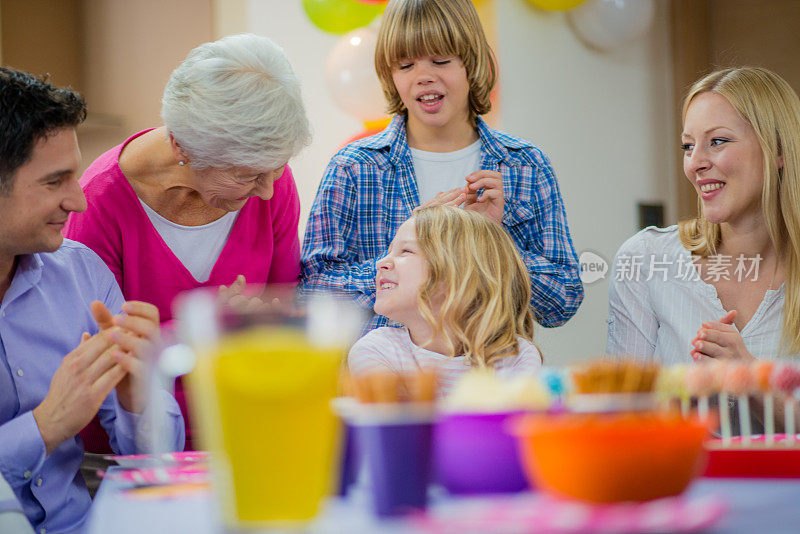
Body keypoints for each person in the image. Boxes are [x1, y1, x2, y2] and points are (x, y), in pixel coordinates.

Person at [64, 33, 310, 450]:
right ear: (181, 145)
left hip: (244, 431)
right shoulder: (98, 205)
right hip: (134, 451)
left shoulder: (271, 182)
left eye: (277, 169)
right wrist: (207, 327)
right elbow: (94, 352)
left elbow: (285, 308)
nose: (268, 191)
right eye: (247, 175)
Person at [301, 0, 582, 330]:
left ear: (471, 64)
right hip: (385, 378)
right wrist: (416, 250)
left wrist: (492, 245)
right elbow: (313, 292)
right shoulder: (354, 167)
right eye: (405, 66)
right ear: (389, 76)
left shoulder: (525, 165)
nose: (423, 77)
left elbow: (563, 300)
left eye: (440, 60)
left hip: (488, 378)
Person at [0, 67, 184, 534]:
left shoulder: (81, 272)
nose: (78, 202)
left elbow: (159, 459)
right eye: (54, 182)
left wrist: (138, 395)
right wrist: (44, 426)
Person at [607, 66, 800, 363]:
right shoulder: (644, 259)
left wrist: (751, 382)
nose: (694, 163)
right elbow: (622, 404)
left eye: (717, 141)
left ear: (777, 149)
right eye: (688, 146)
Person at [348, 206, 542, 396]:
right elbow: (404, 425)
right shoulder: (375, 349)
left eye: (406, 251)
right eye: (390, 252)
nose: (381, 262)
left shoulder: (516, 357)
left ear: (460, 273)